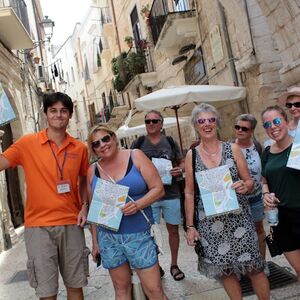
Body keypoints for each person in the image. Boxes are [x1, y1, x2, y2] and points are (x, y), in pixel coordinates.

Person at [0, 92, 90, 300]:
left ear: (69, 115)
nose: (58, 115)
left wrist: (84, 206)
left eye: (63, 111)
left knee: (76, 287)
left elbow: (84, 179)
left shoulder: (80, 148)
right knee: (46, 292)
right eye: (53, 111)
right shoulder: (27, 143)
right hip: (38, 227)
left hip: (71, 224)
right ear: (45, 115)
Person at [185, 103, 269, 300]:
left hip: (239, 219)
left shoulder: (233, 149)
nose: (207, 124)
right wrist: (190, 226)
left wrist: (245, 185)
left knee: (254, 267)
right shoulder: (192, 155)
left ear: (217, 123)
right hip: (210, 223)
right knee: (225, 271)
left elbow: (249, 181)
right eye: (202, 121)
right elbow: (189, 192)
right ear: (196, 126)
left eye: (211, 120)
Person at [87, 125, 167, 300]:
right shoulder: (92, 171)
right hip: (108, 237)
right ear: (93, 149)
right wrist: (95, 242)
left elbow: (158, 189)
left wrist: (139, 204)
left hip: (139, 235)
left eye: (105, 139)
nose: (102, 144)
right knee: (121, 290)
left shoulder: (135, 155)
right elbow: (94, 209)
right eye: (96, 143)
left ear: (114, 138)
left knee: (154, 290)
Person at [130, 110, 185, 281]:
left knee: (173, 230)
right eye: (148, 121)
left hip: (171, 193)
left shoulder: (169, 141)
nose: (151, 124)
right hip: (148, 196)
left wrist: (180, 169)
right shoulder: (138, 143)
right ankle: (156, 266)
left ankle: (174, 264)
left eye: (155, 121)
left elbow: (181, 161)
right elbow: (129, 165)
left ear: (161, 123)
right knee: (149, 232)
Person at [261, 105, 300, 281]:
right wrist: (266, 194)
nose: (273, 127)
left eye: (277, 121)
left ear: (286, 121)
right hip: (281, 219)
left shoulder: (299, 145)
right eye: (267, 124)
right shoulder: (267, 152)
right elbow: (264, 179)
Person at [233, 114, 266, 258]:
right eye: (237, 127)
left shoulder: (258, 147)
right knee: (239, 232)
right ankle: (243, 265)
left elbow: (264, 171)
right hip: (236, 200)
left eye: (244, 128)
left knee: (259, 229)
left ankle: (262, 261)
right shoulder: (229, 147)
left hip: (256, 197)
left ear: (251, 131)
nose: (240, 130)